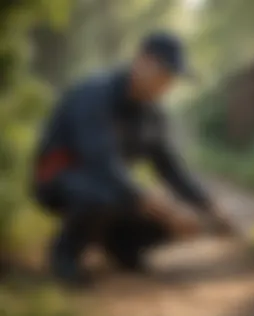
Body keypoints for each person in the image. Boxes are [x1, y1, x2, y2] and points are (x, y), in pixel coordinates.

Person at [31, 31, 237, 286]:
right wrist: (169, 214)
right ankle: (66, 253)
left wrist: (209, 208)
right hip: (59, 178)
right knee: (113, 193)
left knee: (166, 208)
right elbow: (102, 165)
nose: (167, 83)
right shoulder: (94, 94)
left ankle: (122, 248)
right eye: (164, 73)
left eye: (172, 77)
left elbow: (170, 168)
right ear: (142, 61)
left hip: (105, 184)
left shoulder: (152, 114)